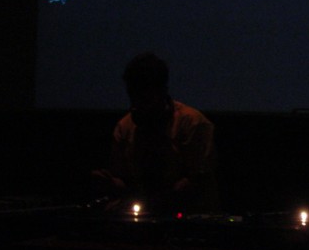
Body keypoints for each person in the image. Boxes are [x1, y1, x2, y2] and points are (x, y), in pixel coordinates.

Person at [91, 52, 219, 214]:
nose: (138, 104)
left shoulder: (193, 124)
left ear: (162, 91)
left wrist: (153, 200)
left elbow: (198, 181)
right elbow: (123, 179)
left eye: (144, 97)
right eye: (133, 96)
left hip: (188, 215)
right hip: (144, 212)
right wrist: (110, 182)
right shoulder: (125, 127)